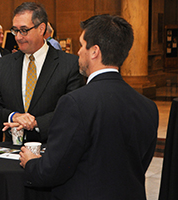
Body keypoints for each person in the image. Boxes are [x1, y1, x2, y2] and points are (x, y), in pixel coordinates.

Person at [19, 14, 159, 200]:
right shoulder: (148, 107)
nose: (78, 52)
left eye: (81, 44)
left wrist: (31, 163)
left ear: (94, 51)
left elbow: (51, 171)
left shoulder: (74, 103)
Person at [0, 2, 84, 143]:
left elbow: (73, 111)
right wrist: (14, 116)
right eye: (15, 30)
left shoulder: (69, 64)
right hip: (11, 150)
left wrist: (36, 123)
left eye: (24, 30)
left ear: (41, 29)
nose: (18, 37)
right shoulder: (4, 64)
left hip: (52, 147)